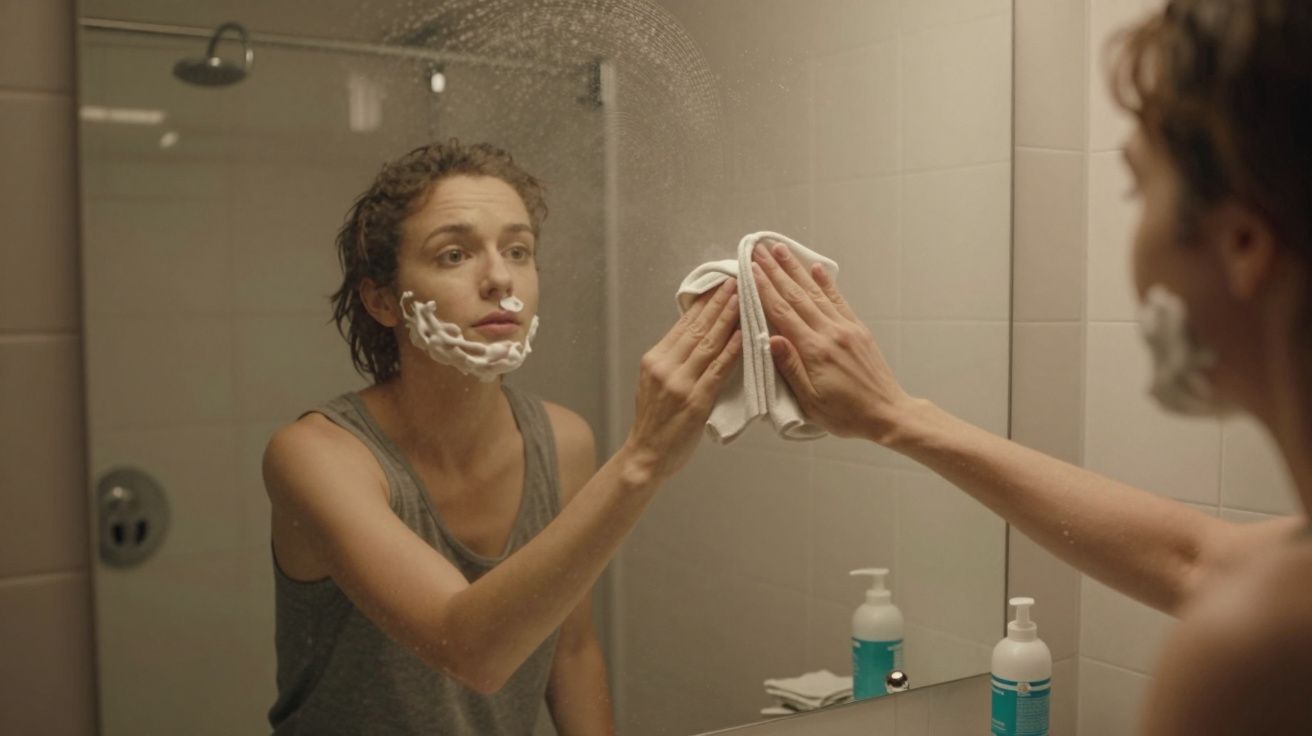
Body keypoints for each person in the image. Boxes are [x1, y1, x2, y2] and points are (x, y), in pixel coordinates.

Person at [752, 1, 1312, 732]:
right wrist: (897, 417)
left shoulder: (1252, 652)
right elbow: (1198, 561)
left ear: (1243, 242)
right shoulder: (1277, 592)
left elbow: (1227, 588)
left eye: (1138, 187)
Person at [262, 141, 741, 734]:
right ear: (383, 300)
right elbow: (468, 650)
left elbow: (569, 651)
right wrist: (640, 462)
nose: (499, 278)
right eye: (455, 254)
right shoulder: (317, 457)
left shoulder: (563, 441)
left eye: (518, 250)